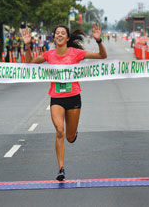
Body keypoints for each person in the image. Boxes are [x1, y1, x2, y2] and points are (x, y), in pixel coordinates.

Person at [23, 24, 107, 181]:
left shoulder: (76, 53)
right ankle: (61, 169)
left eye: (63, 33)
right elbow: (30, 63)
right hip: (56, 98)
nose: (60, 35)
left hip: (74, 97)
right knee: (59, 131)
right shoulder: (49, 54)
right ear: (54, 37)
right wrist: (27, 45)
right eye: (57, 33)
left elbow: (103, 56)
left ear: (68, 38)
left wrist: (99, 40)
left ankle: (73, 133)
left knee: (69, 136)